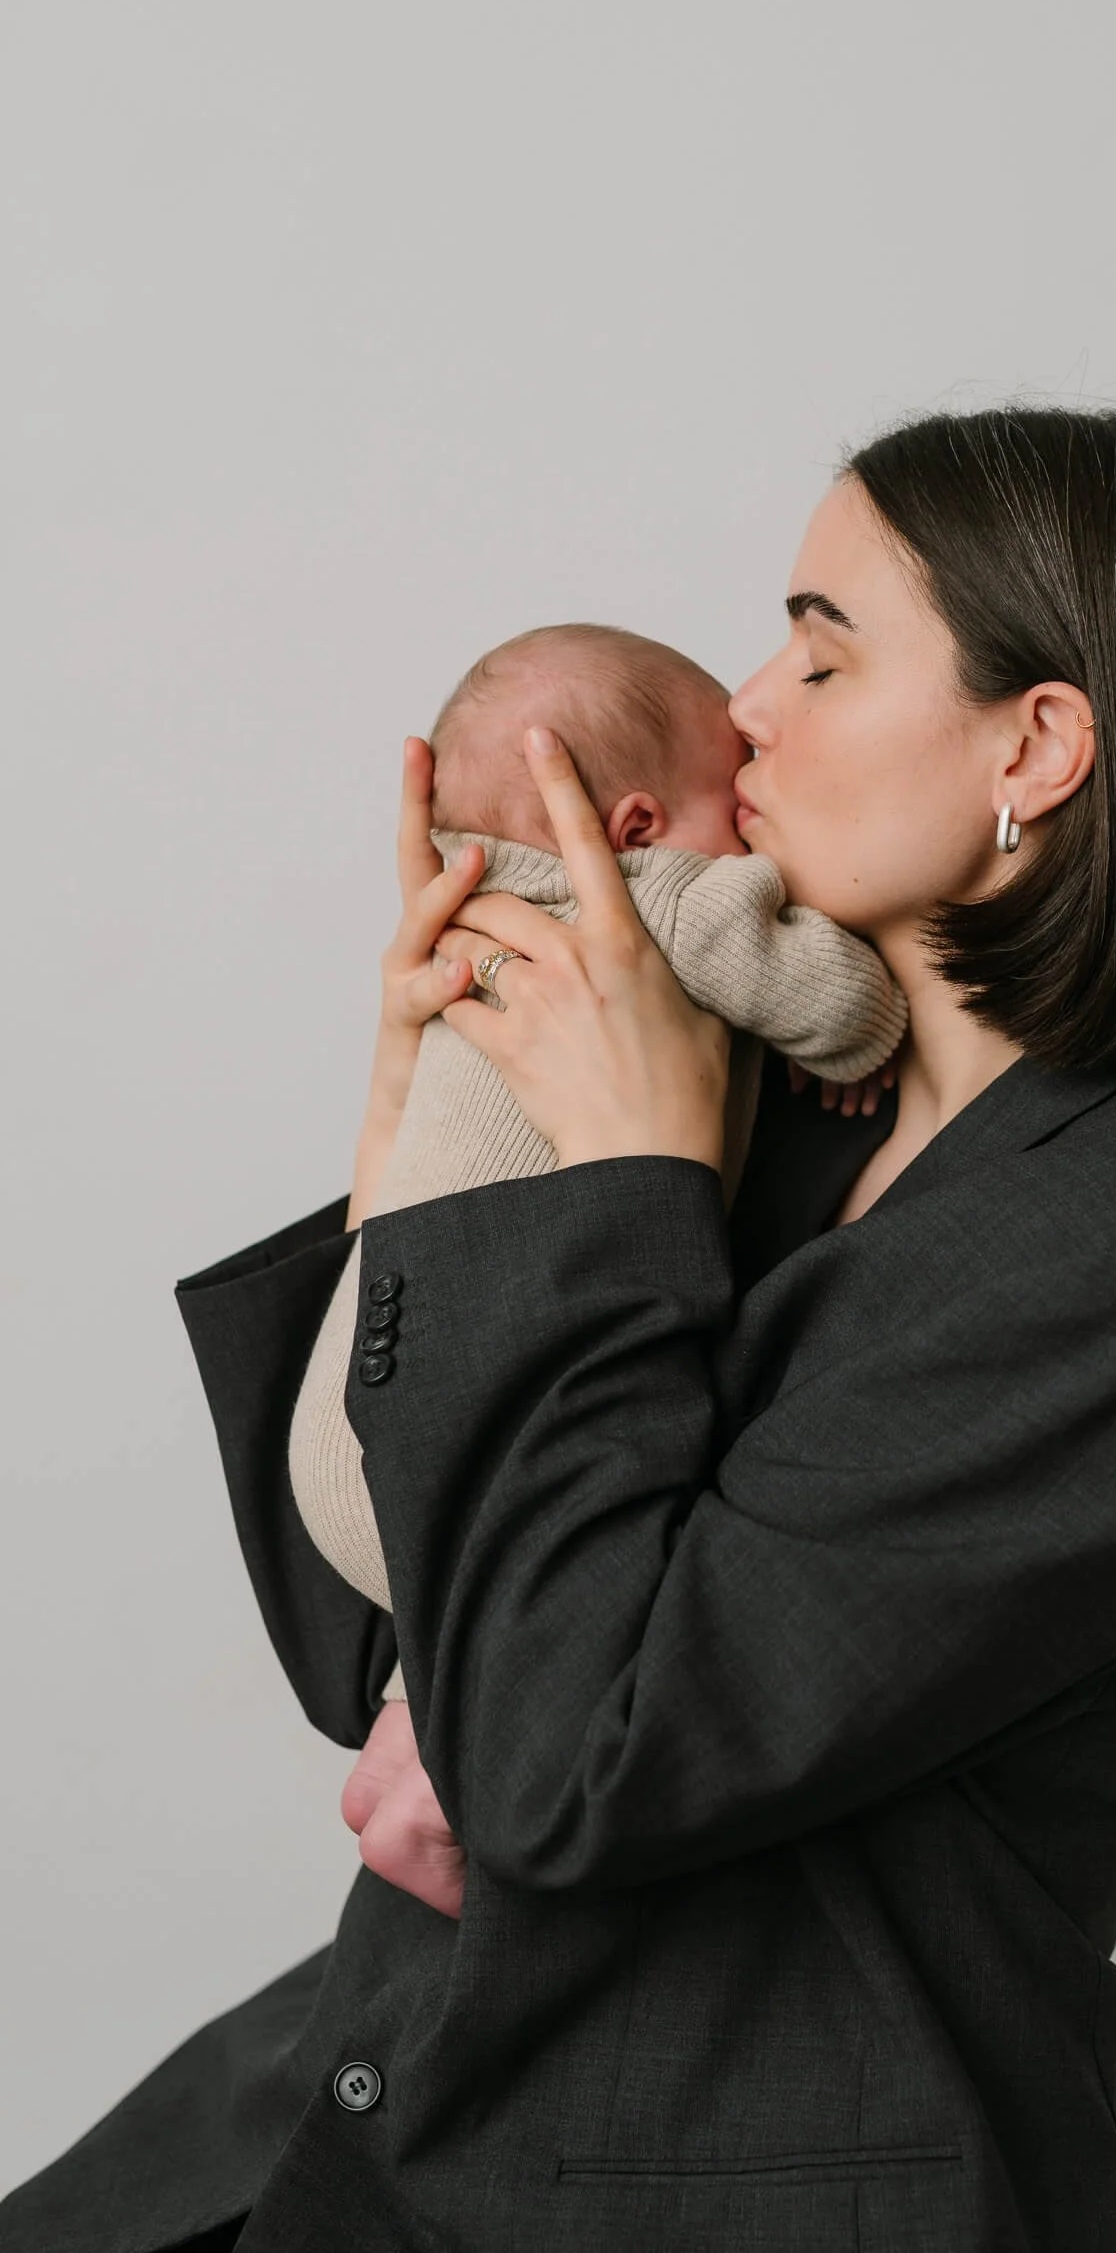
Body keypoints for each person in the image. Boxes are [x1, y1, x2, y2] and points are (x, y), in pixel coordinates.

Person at [0, 403, 1116, 2253]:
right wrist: (418, 1140)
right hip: (377, 2104)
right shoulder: (769, 1087)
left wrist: (613, 1185)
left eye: (823, 648)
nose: (750, 703)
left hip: (729, 2187)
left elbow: (558, 1757)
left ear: (1036, 743)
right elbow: (380, 1629)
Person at [292, 617, 906, 1909]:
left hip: (345, 1411)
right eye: (723, 798)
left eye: (823, 662)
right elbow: (850, 1011)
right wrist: (832, 1030)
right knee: (501, 1590)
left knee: (462, 1602)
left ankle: (425, 1728)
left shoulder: (466, 916)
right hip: (474, 1449)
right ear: (631, 826)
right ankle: (454, 1758)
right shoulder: (658, 899)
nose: (748, 780)